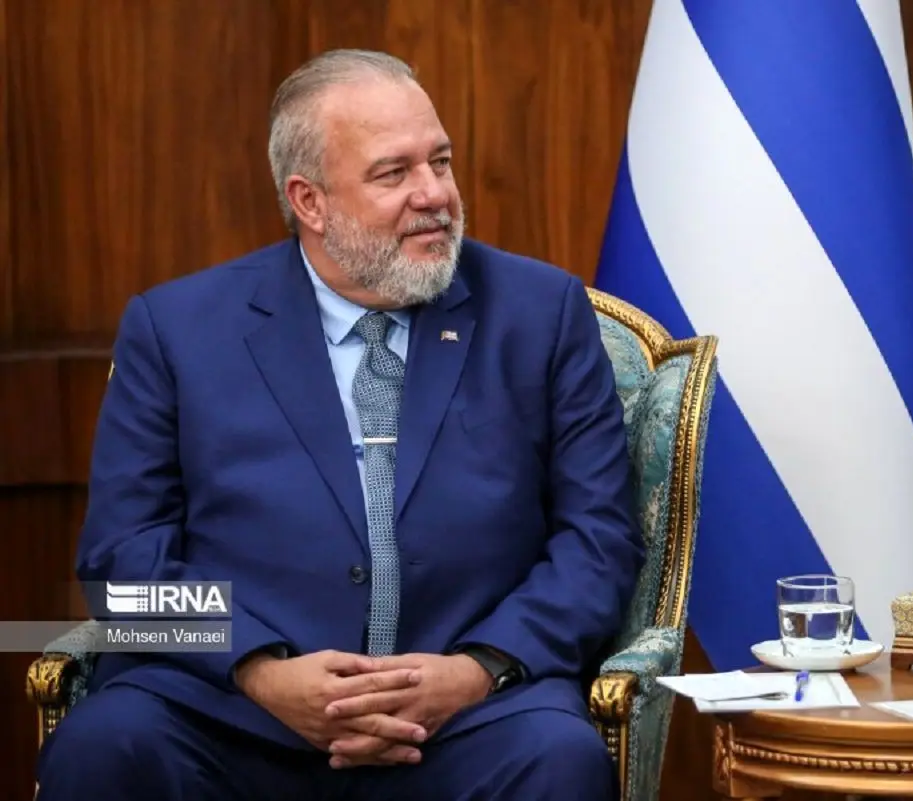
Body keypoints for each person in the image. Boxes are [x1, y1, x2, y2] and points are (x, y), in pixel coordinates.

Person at [35, 48, 644, 801]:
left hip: (467, 717)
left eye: (441, 161)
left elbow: (598, 540)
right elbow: (121, 563)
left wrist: (476, 668)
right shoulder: (178, 329)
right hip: (229, 713)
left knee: (558, 758)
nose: (434, 194)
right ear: (310, 201)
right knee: (107, 746)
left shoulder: (539, 314)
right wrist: (258, 669)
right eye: (393, 173)